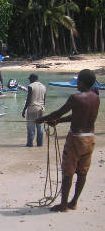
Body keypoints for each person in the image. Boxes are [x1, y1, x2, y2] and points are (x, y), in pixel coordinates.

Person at [36, 69, 100, 212]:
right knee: (83, 173)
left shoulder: (75, 98)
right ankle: (74, 202)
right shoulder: (96, 97)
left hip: (76, 139)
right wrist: (58, 121)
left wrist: (41, 119)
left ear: (82, 82)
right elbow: (76, 116)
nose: (77, 83)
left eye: (78, 81)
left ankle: (64, 205)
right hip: (90, 138)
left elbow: (58, 112)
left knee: (68, 173)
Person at [22, 73, 46, 147]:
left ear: (32, 79)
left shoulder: (31, 86)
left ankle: (30, 144)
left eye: (30, 79)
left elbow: (29, 99)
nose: (29, 81)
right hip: (41, 108)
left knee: (31, 128)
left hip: (32, 108)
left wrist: (24, 110)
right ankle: (40, 144)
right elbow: (44, 100)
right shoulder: (43, 87)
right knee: (40, 128)